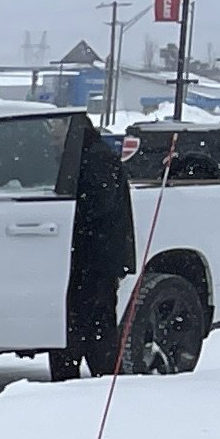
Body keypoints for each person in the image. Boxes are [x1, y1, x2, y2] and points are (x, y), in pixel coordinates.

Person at [63, 113, 139, 375]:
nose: (53, 136)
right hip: (93, 256)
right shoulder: (87, 155)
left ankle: (99, 376)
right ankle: (85, 371)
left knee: (93, 321)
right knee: (86, 320)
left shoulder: (96, 159)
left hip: (97, 258)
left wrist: (67, 218)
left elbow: (98, 206)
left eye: (58, 129)